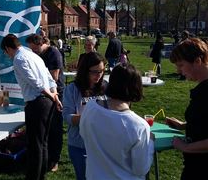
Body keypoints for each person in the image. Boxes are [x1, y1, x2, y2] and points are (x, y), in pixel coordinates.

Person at [1, 34, 62, 180]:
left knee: (35, 145)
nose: (7, 55)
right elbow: (50, 78)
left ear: (9, 48)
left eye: (6, 52)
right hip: (47, 101)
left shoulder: (19, 58)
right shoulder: (33, 55)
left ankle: (34, 177)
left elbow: (35, 82)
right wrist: (54, 95)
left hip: (38, 103)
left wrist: (52, 95)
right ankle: (41, 175)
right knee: (43, 142)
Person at [80, 63, 154, 180]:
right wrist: (150, 143)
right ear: (136, 87)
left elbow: (83, 133)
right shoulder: (139, 126)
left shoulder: (90, 107)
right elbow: (140, 169)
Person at [166, 38, 208, 180]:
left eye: (181, 65)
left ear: (197, 61)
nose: (178, 71)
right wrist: (183, 125)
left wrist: (185, 147)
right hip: (194, 166)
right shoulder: (202, 88)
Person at [62, 52, 107, 180]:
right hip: (80, 145)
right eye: (95, 72)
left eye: (102, 71)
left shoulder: (106, 87)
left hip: (103, 144)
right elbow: (67, 117)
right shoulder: (72, 89)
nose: (99, 75)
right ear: (85, 70)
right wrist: (89, 118)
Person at [26, 33, 64, 172]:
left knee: (55, 127)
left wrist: (37, 81)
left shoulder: (54, 53)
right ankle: (45, 158)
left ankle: (55, 160)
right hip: (43, 95)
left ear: (41, 44)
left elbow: (53, 77)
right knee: (44, 130)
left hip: (55, 94)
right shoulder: (38, 54)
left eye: (35, 49)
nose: (33, 52)